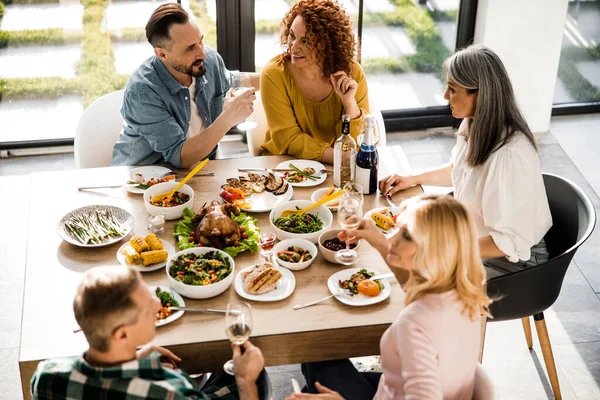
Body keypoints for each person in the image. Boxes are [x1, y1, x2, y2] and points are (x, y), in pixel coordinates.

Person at [288, 194, 492, 400]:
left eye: (406, 235)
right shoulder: (465, 292)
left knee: (313, 350)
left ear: (433, 251)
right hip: (401, 389)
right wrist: (377, 239)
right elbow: (414, 285)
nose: (392, 237)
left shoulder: (415, 324)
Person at [379, 45, 552, 279]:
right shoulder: (474, 123)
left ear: (480, 94)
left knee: (416, 270)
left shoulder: (508, 156)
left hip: (515, 264)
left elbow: (508, 243)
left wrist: (447, 249)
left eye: (452, 89)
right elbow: (460, 169)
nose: (444, 97)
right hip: (478, 239)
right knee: (402, 249)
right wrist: (413, 179)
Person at [30, 266, 265, 400]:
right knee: (252, 373)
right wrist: (245, 381)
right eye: (147, 306)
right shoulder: (171, 390)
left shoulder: (46, 376)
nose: (157, 305)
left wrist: (135, 357)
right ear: (122, 335)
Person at [111, 3, 258, 169]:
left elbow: (231, 80)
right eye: (190, 49)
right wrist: (228, 118)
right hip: (142, 179)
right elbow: (180, 157)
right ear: (162, 54)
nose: (202, 53)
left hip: (198, 172)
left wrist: (277, 74)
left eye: (200, 42)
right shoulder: (142, 93)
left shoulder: (207, 60)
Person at [260, 0, 369, 163]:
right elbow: (288, 138)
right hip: (285, 164)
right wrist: (339, 158)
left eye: (305, 41)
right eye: (292, 36)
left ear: (327, 44)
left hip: (336, 165)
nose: (293, 47)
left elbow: (359, 142)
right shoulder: (274, 74)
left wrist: (349, 104)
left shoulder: (353, 73)